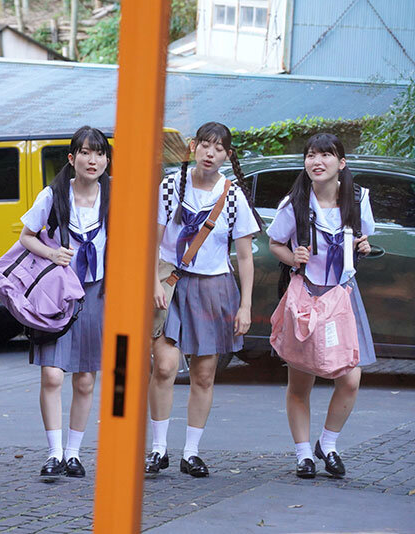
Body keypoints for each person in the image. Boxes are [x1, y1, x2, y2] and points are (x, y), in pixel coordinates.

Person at [148, 122, 262, 478]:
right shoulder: (171, 187)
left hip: (214, 288)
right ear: (193, 146)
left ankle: (191, 452)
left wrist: (245, 305)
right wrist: (152, 281)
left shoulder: (233, 195)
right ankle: (158, 449)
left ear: (227, 155)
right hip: (171, 284)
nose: (210, 153)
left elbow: (245, 256)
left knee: (203, 374)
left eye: (219, 148)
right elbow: (152, 240)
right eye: (205, 145)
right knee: (164, 366)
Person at [267, 133, 375, 479]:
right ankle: (303, 454)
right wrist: (293, 256)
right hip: (307, 296)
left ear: (341, 163)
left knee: (350, 378)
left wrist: (363, 246)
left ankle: (327, 444)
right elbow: (274, 243)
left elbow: (364, 238)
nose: (317, 161)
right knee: (301, 380)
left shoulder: (357, 199)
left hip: (343, 296)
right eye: (311, 155)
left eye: (326, 155)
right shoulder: (295, 203)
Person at [19, 126, 111, 480]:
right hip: (58, 294)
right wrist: (52, 253)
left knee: (85, 379)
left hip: (97, 292)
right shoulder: (54, 194)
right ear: (72, 158)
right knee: (53, 375)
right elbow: (27, 236)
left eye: (99, 153)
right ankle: (54, 452)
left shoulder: (114, 195)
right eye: (85, 153)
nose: (93, 160)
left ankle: (73, 453)